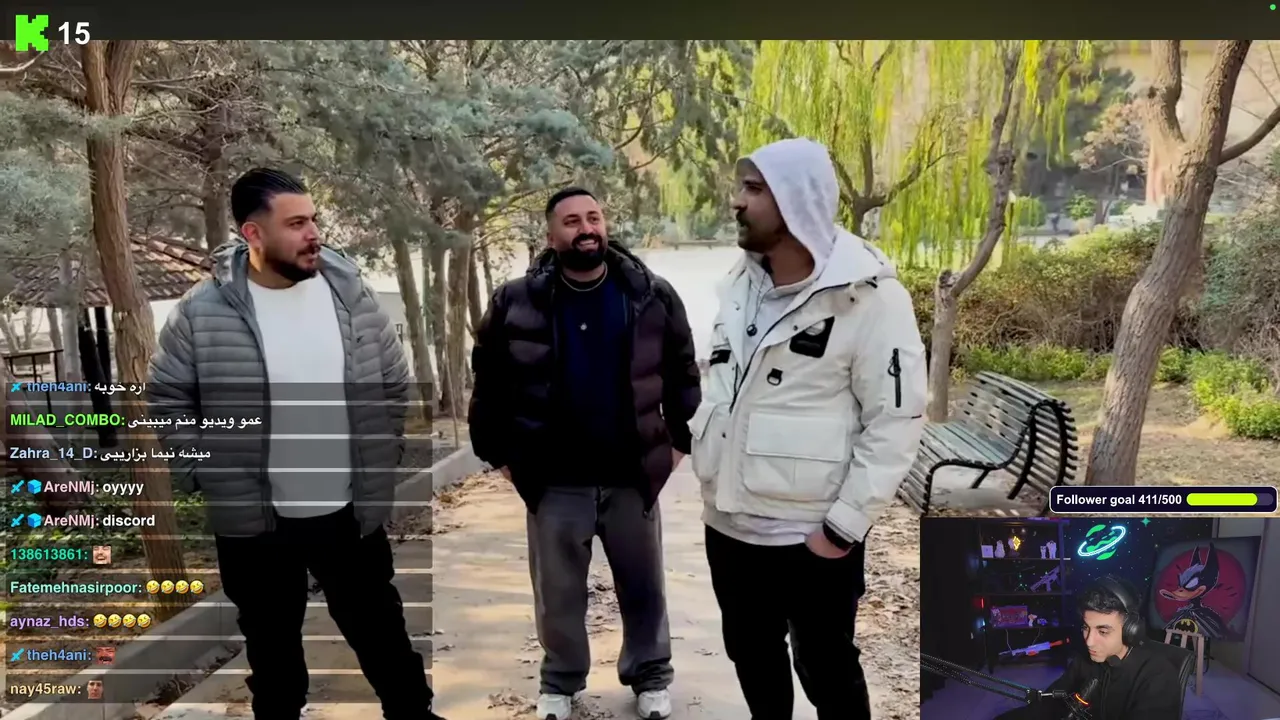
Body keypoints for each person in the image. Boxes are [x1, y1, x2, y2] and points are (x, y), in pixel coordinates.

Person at [146, 168, 443, 720]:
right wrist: (204, 473)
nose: (314, 234)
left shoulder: (350, 295)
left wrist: (385, 452)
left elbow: (391, 381)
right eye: (297, 223)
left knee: (381, 630)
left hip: (348, 511)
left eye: (314, 220)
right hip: (257, 520)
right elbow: (168, 399)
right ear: (253, 233)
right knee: (272, 650)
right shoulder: (200, 311)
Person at [688, 138, 928, 720]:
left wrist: (841, 530)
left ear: (797, 199)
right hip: (730, 525)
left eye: (753, 189)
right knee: (751, 658)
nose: (736, 201)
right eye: (740, 186)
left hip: (812, 538)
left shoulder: (870, 298)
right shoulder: (741, 283)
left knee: (827, 670)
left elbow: (895, 421)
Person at [468, 186, 701, 720]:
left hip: (631, 475)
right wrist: (499, 455)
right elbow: (490, 382)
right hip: (553, 479)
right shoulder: (515, 301)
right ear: (551, 236)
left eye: (593, 217)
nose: (586, 229)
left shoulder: (649, 294)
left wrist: (679, 443)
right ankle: (560, 681)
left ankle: (650, 677)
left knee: (644, 587)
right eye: (572, 221)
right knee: (558, 594)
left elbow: (682, 371)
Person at [995, 577, 1182, 720]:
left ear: (1131, 630)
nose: (1089, 641)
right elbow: (1050, 703)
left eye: (1103, 631)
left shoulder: (1158, 677)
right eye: (1086, 627)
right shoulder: (1084, 660)